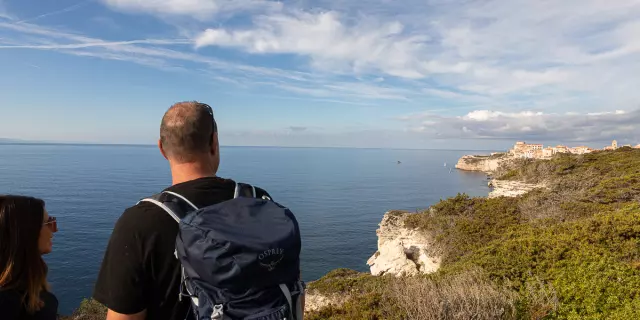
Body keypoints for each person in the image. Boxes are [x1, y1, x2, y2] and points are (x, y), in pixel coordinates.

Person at [93, 101, 295, 320]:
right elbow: (292, 284)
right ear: (214, 142)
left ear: (161, 148)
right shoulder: (258, 201)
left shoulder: (138, 224)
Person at [0, 195, 59, 320]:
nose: (54, 230)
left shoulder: (21, 294)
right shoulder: (8, 306)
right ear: (28, 232)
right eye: (49, 222)